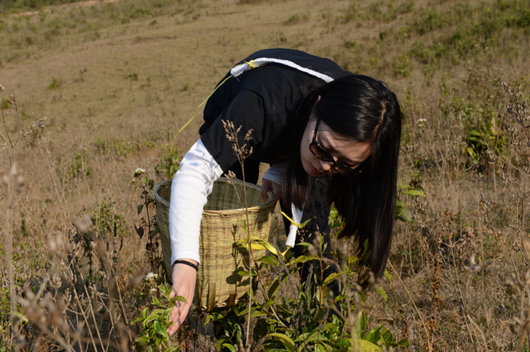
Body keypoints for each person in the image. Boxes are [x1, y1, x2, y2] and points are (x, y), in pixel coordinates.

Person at [166, 48, 402, 335]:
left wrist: (285, 166)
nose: (327, 167)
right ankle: (229, 329)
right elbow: (195, 170)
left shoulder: (361, 112)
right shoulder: (261, 104)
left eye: (345, 165)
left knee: (315, 235)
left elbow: (318, 149)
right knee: (233, 225)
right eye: (323, 150)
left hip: (295, 128)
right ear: (316, 107)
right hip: (240, 115)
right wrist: (185, 261)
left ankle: (326, 329)